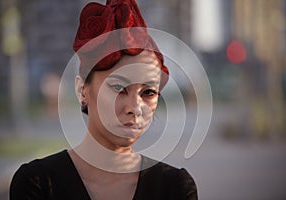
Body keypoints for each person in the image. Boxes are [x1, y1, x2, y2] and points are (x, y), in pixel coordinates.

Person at [10, 0, 198, 199]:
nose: (135, 108)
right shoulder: (38, 183)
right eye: (118, 88)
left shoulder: (175, 187)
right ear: (83, 90)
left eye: (148, 92)